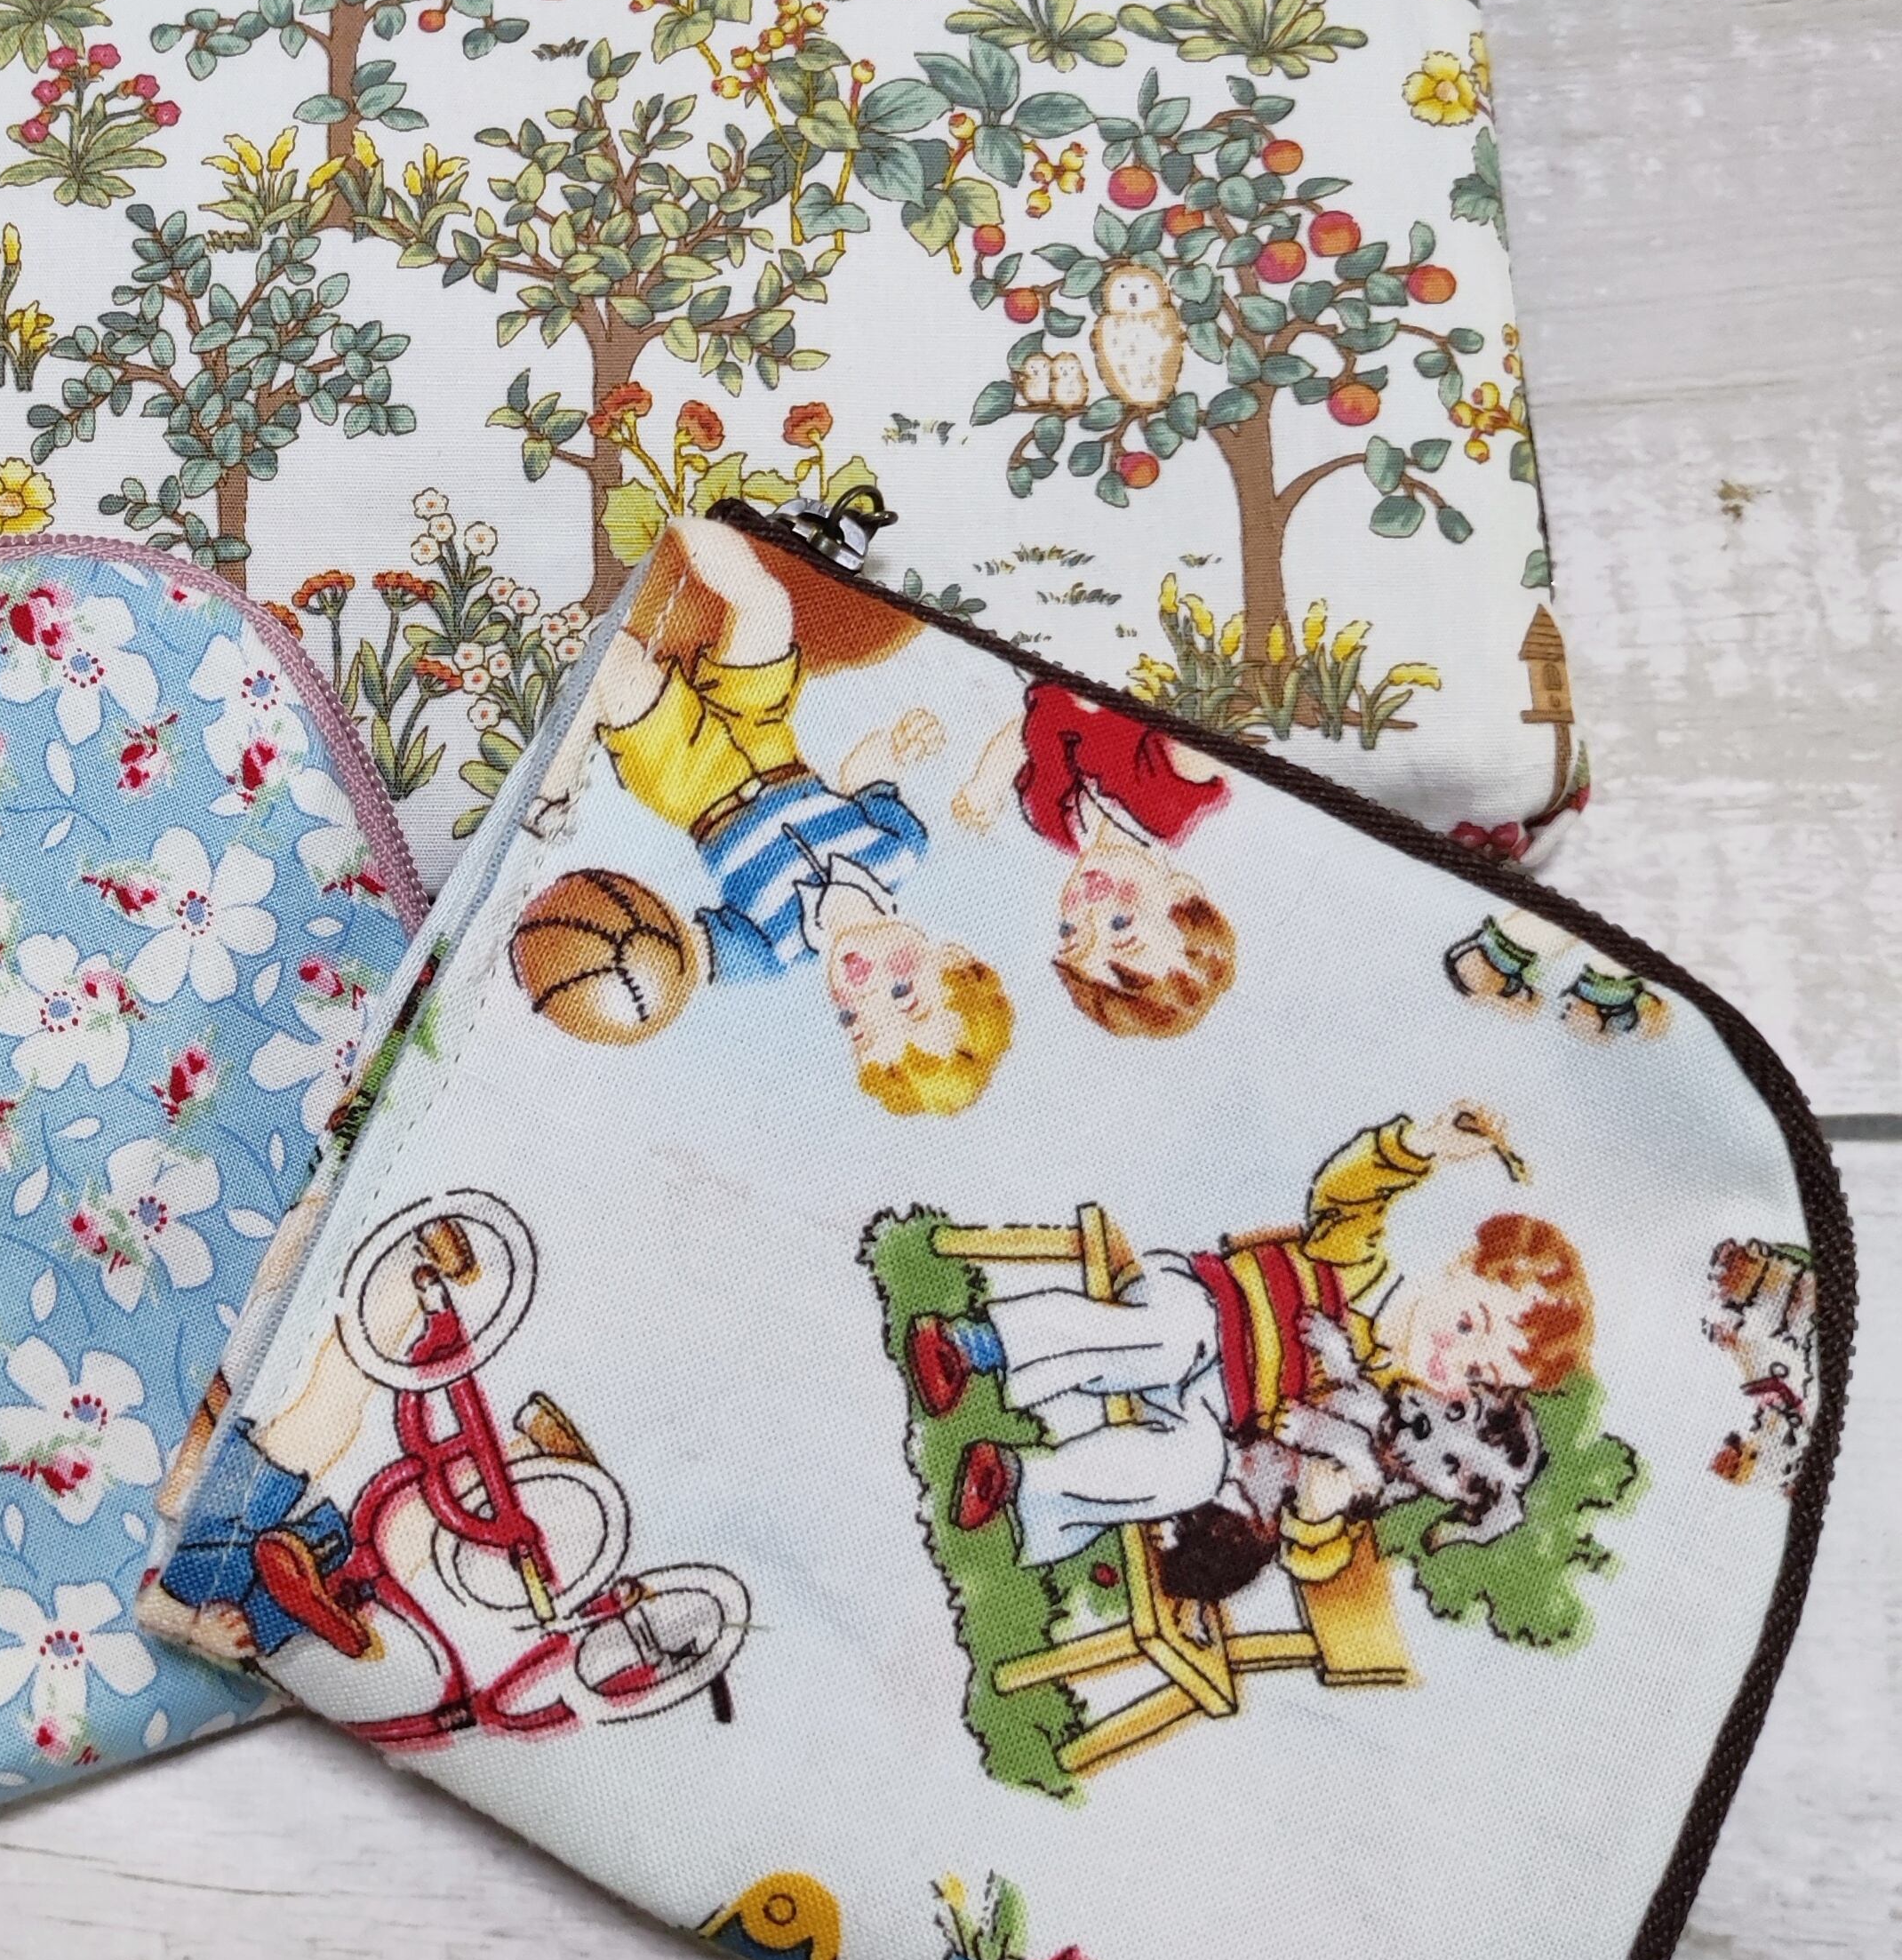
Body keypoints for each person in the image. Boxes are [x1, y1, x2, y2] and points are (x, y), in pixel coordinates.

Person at [906, 1101, 1592, 1577]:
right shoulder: (1362, 1260)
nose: (1451, 1359)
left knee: (1194, 1470)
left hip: (1222, 1417)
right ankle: (977, 1348)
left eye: (1476, 1374)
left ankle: (1020, 1480)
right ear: (1458, 1266)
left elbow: (1319, 1555)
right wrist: (1421, 1147)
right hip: (1206, 1312)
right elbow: (1347, 1193)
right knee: (1170, 1338)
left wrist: (1319, 1513)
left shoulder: (1395, 1437)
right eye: (1469, 1324)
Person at [588, 515, 1013, 1111]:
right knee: (766, 609)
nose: (861, 990)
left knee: (623, 671)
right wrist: (895, 748)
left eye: (856, 1023)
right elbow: (863, 778)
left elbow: (689, 955)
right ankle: (679, 514)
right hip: (769, 739)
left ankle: (580, 668)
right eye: (902, 993)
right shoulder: (899, 848)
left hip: (692, 784)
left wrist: (631, 977)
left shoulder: (771, 948)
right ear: (952, 958)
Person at [951, 680, 1235, 1037]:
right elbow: (1211, 719)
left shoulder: (1054, 821)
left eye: (1071, 931)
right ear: (1180, 892)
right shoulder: (1167, 801)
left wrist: (986, 784)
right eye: (1119, 923)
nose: (1091, 908)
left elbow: (1028, 731)